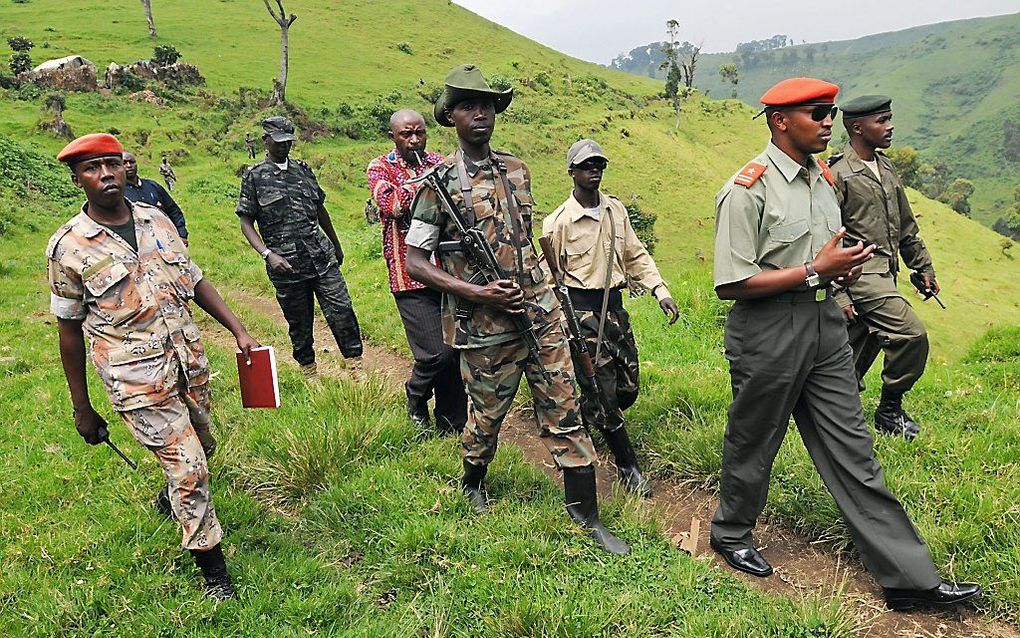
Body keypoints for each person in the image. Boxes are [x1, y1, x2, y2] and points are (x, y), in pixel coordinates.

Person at [710, 78, 980, 611]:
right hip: (767, 331)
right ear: (780, 121)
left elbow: (828, 254)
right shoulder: (749, 188)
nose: (828, 122)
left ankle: (909, 578)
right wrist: (816, 269)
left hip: (826, 327)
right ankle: (732, 533)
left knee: (855, 452)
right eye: (817, 113)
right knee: (755, 440)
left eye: (831, 112)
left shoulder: (824, 178)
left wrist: (837, 281)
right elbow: (731, 284)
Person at [405, 64, 628, 555]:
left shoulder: (518, 169)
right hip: (485, 325)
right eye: (467, 105)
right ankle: (472, 480)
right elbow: (416, 261)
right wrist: (477, 293)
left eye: (485, 104)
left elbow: (525, 239)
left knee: (565, 407)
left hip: (541, 312)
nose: (479, 113)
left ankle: (586, 517)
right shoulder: (436, 186)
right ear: (452, 117)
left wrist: (550, 293)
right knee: (487, 416)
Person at [47, 133, 261, 600]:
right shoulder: (68, 247)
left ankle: (173, 497)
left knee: (203, 444)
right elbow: (68, 331)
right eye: (91, 169)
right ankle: (214, 571)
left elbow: (195, 278)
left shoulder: (155, 218)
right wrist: (81, 407)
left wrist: (238, 329)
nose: (105, 175)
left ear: (125, 168)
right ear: (76, 178)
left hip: (188, 363)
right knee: (190, 469)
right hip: (137, 381)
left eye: (111, 164)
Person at [542, 139, 679, 497]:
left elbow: (635, 254)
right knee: (603, 392)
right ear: (572, 172)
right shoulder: (557, 223)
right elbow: (548, 275)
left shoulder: (616, 211)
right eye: (586, 165)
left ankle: (590, 412)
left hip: (615, 309)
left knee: (627, 387)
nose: (594, 170)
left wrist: (659, 290)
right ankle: (627, 466)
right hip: (582, 315)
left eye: (599, 164)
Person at [828, 95, 936, 440]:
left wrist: (923, 267)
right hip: (859, 274)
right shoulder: (838, 173)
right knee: (910, 335)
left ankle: (834, 415)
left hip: (886, 272)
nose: (890, 127)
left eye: (890, 119)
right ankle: (890, 410)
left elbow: (905, 225)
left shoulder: (885, 167)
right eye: (882, 121)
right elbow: (826, 237)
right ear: (857, 128)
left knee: (853, 351)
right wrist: (839, 292)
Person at [237, 116, 363, 377]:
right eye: (279, 141)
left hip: (320, 257)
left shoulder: (303, 170)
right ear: (266, 140)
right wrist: (267, 254)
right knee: (299, 322)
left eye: (289, 142)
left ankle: (355, 367)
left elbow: (320, 209)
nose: (284, 147)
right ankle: (309, 371)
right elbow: (246, 222)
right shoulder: (254, 177)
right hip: (286, 265)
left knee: (342, 311)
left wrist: (336, 245)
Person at [367, 109, 468, 435]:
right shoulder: (381, 167)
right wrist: (429, 183)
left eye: (419, 133)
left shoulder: (440, 162)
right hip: (409, 276)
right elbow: (392, 205)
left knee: (455, 352)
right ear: (392, 137)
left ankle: (451, 425)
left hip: (447, 272)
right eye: (406, 135)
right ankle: (416, 394)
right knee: (435, 354)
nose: (414, 140)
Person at [123, 151, 189, 243]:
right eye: (124, 163)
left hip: (167, 241)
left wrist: (182, 234)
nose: (129, 165)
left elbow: (173, 210)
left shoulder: (153, 186)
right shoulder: (118, 193)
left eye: (132, 162)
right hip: (139, 245)